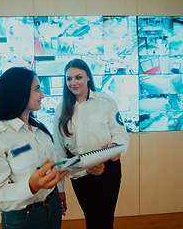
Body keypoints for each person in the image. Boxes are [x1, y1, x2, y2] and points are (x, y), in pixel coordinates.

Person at [0, 67, 68, 229]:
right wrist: (32, 185)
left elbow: (56, 163)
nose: (42, 95)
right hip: (24, 218)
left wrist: (85, 167)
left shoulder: (39, 128)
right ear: (18, 92)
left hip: (52, 206)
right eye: (37, 89)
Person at [53, 58, 130, 229]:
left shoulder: (106, 102)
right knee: (91, 218)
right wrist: (60, 188)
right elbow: (58, 151)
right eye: (69, 79)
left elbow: (120, 133)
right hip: (78, 172)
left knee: (105, 220)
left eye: (78, 77)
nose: (73, 82)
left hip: (107, 169)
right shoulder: (60, 110)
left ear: (88, 77)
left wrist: (116, 147)